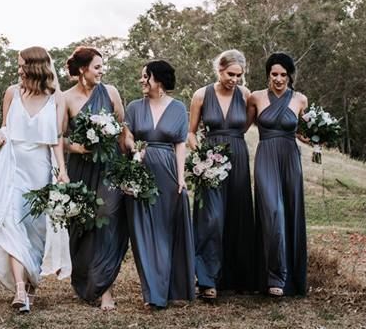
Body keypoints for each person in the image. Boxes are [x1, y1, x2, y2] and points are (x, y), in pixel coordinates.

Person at [0, 46, 70, 313]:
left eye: (21, 64)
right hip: (12, 166)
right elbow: (5, 126)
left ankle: (32, 286)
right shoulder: (11, 93)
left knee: (36, 230)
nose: (18, 69)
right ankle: (19, 288)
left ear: (35, 66)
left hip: (40, 169)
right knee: (10, 222)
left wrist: (62, 170)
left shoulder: (56, 98)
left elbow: (57, 139)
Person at [122, 60, 196, 308]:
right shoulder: (133, 107)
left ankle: (173, 289)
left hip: (167, 173)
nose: (142, 80)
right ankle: (153, 293)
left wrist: (181, 178)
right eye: (142, 76)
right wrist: (134, 150)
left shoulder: (178, 109)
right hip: (140, 172)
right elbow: (128, 136)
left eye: (146, 76)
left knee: (166, 231)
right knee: (143, 231)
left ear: (159, 80)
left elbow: (180, 145)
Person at [186, 49, 256, 298]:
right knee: (211, 219)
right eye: (230, 74)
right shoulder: (201, 95)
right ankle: (207, 280)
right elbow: (191, 133)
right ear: (219, 69)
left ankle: (237, 277)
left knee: (238, 215)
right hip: (210, 160)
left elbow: (245, 125)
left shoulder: (246, 95)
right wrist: (202, 156)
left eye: (239, 75)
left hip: (237, 156)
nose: (234, 79)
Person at [62, 46, 127, 311]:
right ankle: (85, 282)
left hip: (109, 166)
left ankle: (106, 289)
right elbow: (59, 138)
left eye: (102, 66)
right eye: (97, 66)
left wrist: (130, 162)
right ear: (82, 70)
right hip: (80, 168)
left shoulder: (110, 92)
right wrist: (77, 147)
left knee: (107, 220)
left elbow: (122, 127)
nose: (102, 71)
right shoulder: (65, 98)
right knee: (82, 225)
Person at [246, 52, 308, 297]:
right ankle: (274, 277)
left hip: (290, 158)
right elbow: (243, 125)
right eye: (274, 74)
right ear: (268, 74)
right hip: (266, 157)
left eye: (283, 74)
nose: (279, 79)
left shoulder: (300, 99)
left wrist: (320, 135)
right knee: (273, 211)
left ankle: (291, 277)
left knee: (291, 212)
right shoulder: (256, 98)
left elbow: (303, 132)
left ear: (290, 76)